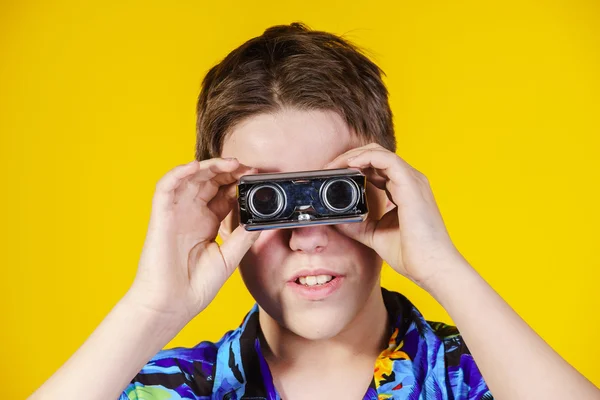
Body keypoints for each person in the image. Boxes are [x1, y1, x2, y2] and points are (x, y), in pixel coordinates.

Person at [30, 23, 599, 400]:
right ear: (225, 212)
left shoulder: (484, 378)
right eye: (268, 202)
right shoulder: (178, 389)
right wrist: (152, 307)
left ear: (384, 189)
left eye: (336, 191)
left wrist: (444, 269)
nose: (307, 234)